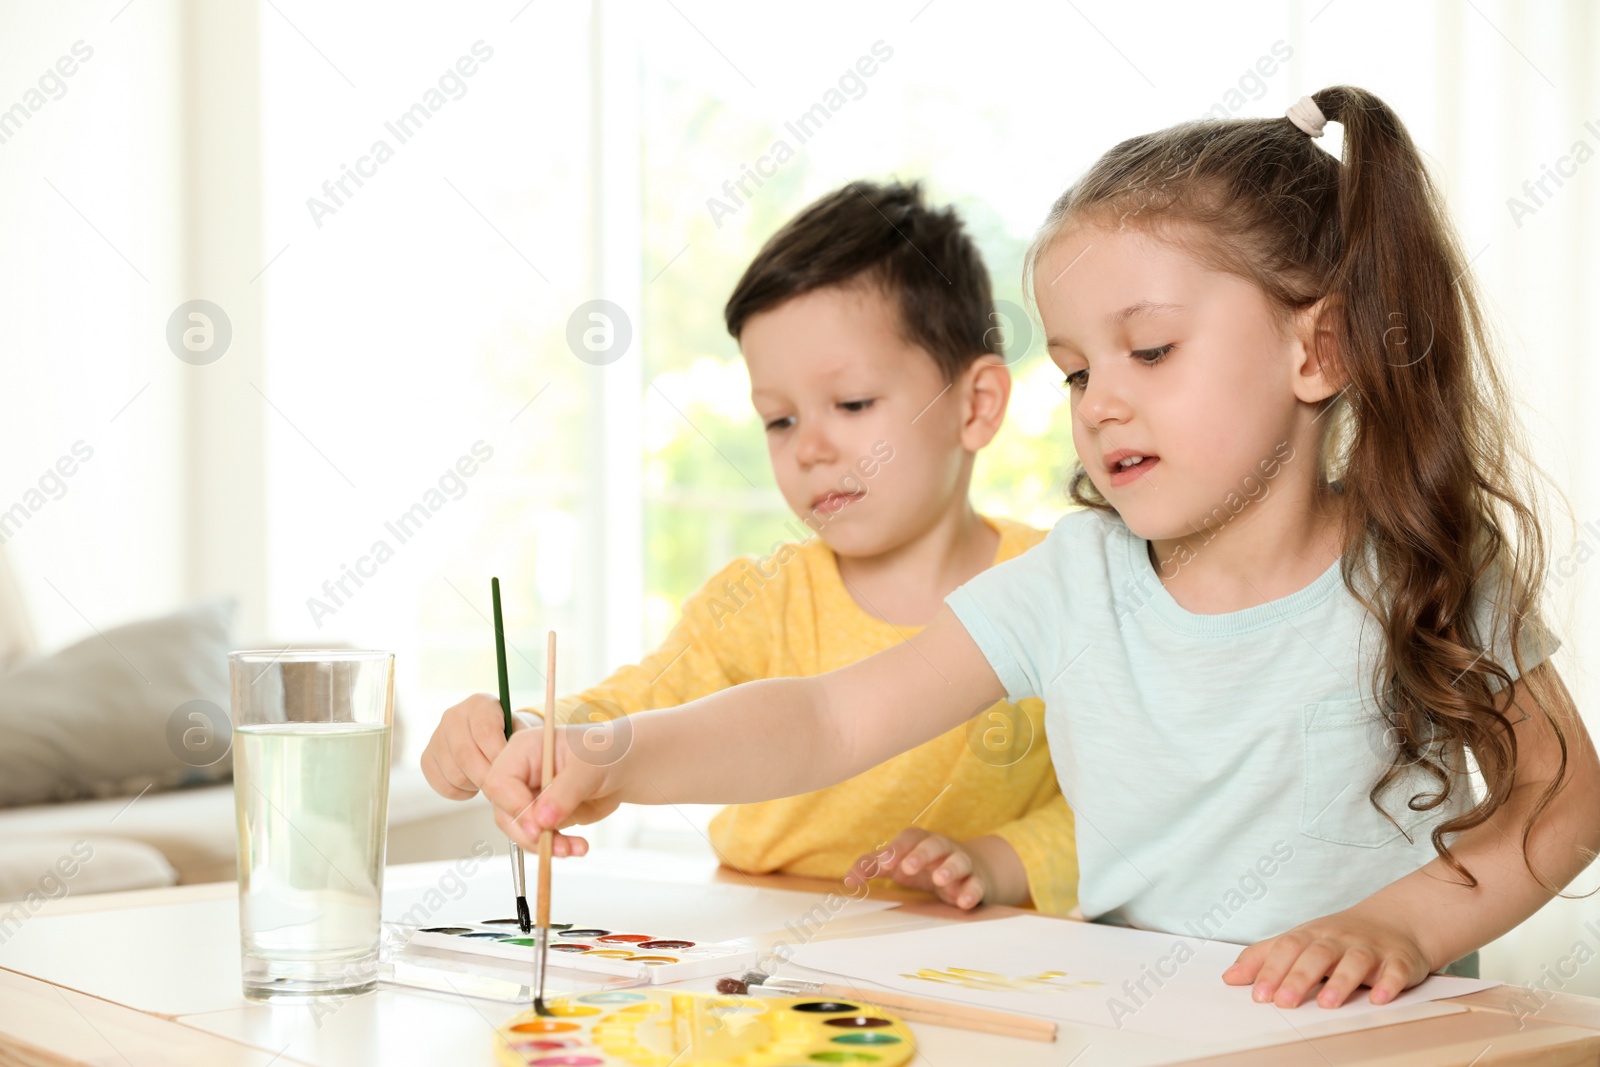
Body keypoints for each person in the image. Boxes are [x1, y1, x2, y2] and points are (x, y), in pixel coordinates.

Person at [480, 87, 1600, 1010]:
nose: (1100, 403)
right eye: (1075, 371)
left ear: (1319, 351)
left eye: (1149, 350)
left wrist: (1401, 920)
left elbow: (1563, 797)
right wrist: (614, 750)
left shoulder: (1421, 567)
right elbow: (826, 717)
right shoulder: (1075, 583)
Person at [423, 180, 1079, 914]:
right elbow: (629, 706)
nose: (810, 449)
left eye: (853, 404)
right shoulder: (761, 600)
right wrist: (536, 734)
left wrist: (1000, 861)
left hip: (978, 958)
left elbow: (1126, 812)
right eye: (779, 420)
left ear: (976, 404)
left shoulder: (1059, 588)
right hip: (753, 939)